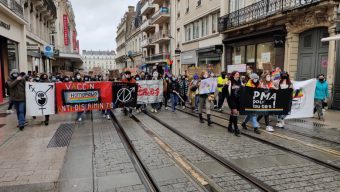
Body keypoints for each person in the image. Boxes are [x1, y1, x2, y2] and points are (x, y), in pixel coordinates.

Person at [227, 71, 242, 136]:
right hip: (231, 99)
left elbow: (242, 90)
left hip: (238, 100)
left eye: (238, 74)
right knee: (235, 112)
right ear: (233, 75)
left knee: (233, 113)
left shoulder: (240, 82)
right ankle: (236, 129)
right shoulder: (230, 82)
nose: (238, 75)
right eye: (236, 74)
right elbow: (226, 91)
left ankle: (230, 126)